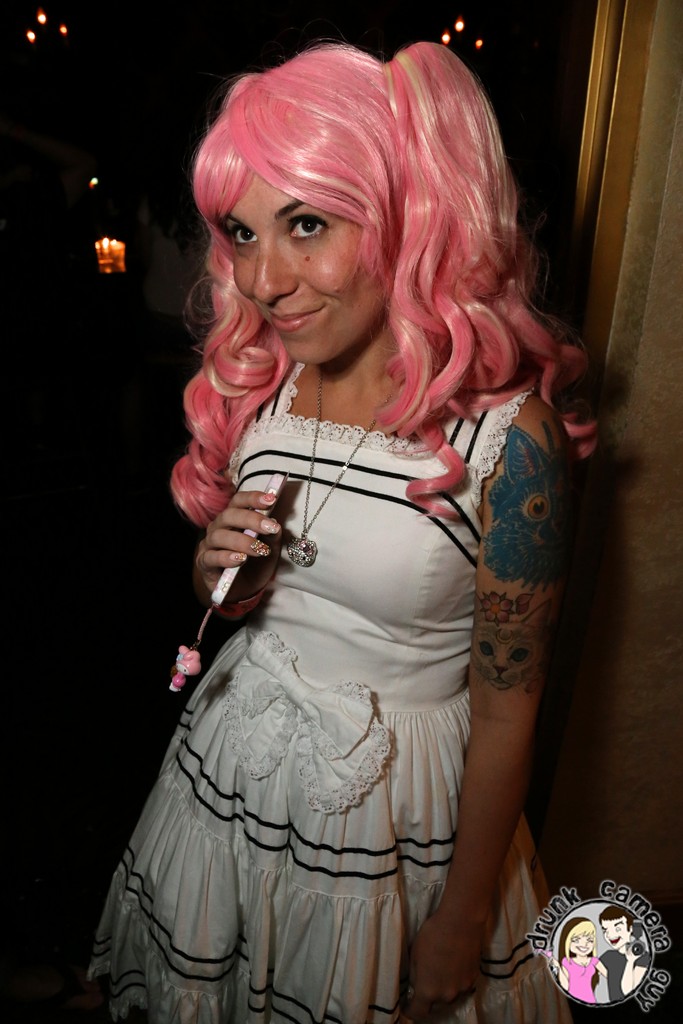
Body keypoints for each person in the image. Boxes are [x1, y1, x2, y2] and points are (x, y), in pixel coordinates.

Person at [88, 40, 595, 1023]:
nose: (263, 279)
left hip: (393, 826)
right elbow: (246, 603)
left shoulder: (508, 440)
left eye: (307, 225)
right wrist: (219, 575)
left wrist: (461, 918)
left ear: (407, 216)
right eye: (242, 233)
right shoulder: (266, 383)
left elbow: (506, 713)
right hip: (228, 781)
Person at [546, 917, 607, 1004]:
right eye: (576, 940)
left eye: (589, 940)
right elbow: (565, 987)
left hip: (591, 1001)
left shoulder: (594, 961)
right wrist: (558, 967)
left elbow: (610, 976)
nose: (584, 944)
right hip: (572, 1002)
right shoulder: (567, 962)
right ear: (567, 941)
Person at [598, 906, 650, 1002]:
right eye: (605, 930)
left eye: (617, 929)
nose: (610, 935)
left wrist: (630, 961)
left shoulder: (642, 957)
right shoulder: (608, 956)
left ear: (630, 929)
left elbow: (628, 991)